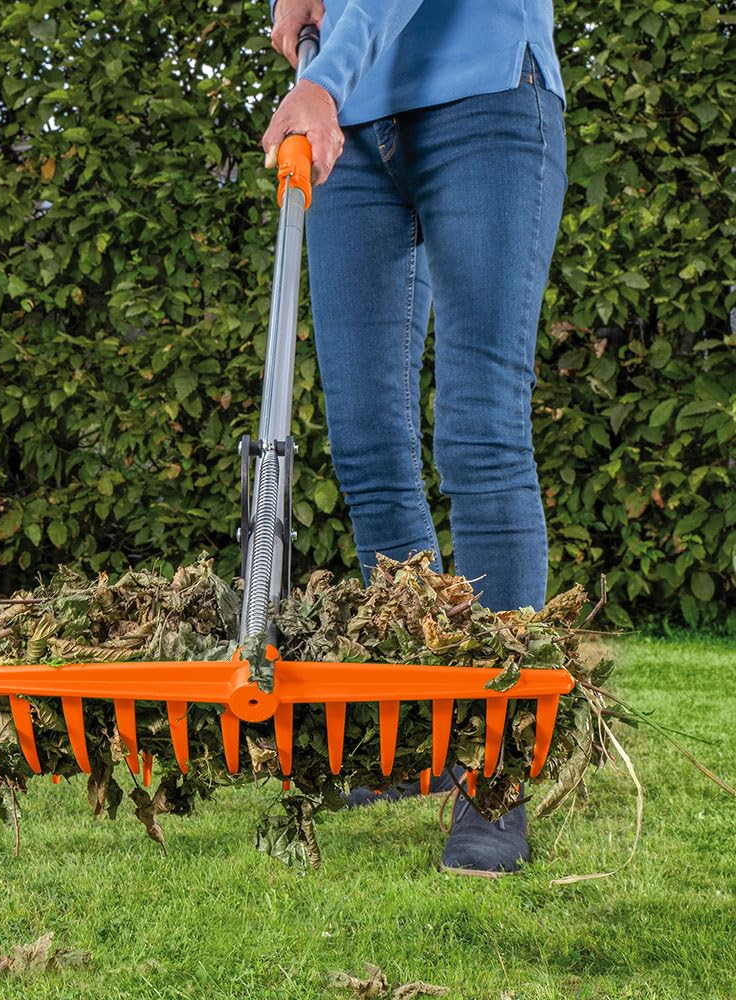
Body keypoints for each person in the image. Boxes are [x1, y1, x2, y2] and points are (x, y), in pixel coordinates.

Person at [262, 0, 568, 876]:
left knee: (480, 433)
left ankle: (497, 771)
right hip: (356, 130)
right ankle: (417, 735)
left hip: (486, 102)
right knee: (366, 445)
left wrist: (321, 77)